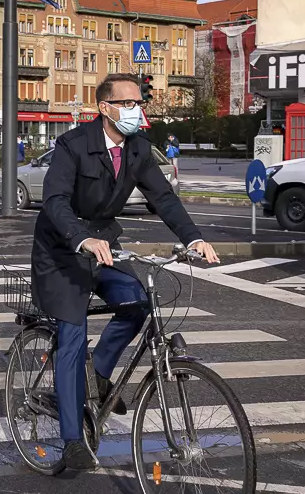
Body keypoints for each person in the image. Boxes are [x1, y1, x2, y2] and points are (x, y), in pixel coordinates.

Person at [30, 73, 219, 471]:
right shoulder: (73, 145)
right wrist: (81, 238)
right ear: (105, 107)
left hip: (103, 246)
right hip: (63, 249)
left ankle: (98, 373)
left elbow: (163, 198)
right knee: (72, 333)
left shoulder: (137, 149)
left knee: (137, 300)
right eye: (129, 103)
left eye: (139, 103)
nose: (137, 111)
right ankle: (71, 440)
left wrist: (193, 238)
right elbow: (55, 201)